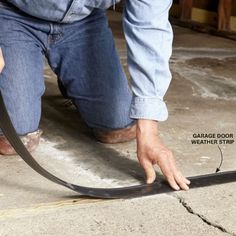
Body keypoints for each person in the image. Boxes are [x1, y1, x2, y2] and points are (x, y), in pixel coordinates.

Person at [0, 0, 190, 190]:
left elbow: (150, 26)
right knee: (13, 138)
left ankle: (71, 76)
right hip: (13, 16)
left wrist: (149, 129)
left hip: (82, 22)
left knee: (119, 126)